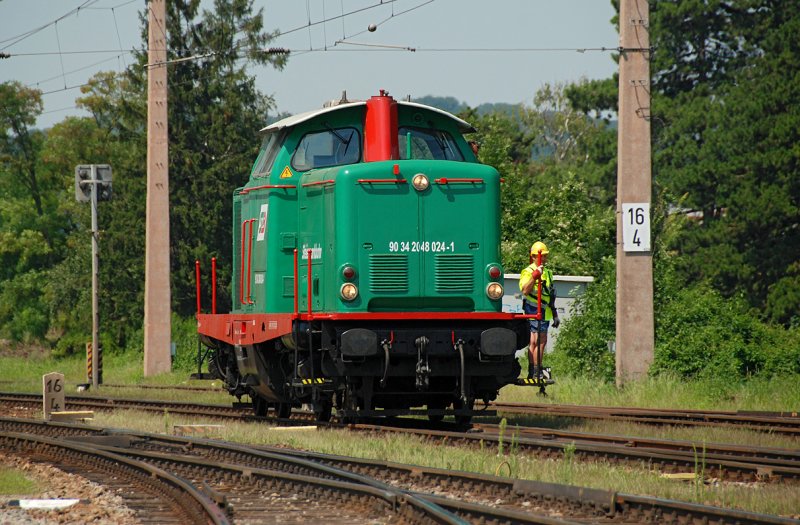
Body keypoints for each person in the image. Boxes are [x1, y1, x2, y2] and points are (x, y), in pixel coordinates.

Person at [519, 241, 560, 379]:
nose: (544, 258)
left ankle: (539, 369)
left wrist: (555, 314)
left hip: (545, 311)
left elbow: (550, 294)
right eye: (541, 256)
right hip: (532, 309)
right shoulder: (528, 271)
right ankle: (533, 370)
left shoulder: (548, 273)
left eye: (545, 256)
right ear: (534, 256)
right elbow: (525, 290)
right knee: (534, 340)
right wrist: (535, 276)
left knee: (542, 341)